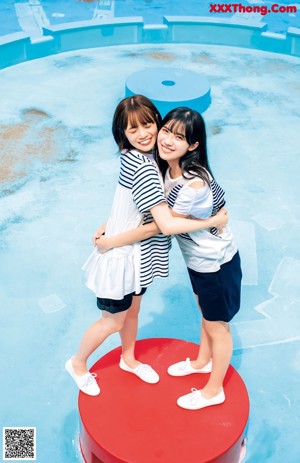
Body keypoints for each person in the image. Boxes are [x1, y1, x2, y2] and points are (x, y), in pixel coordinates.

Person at [65, 96, 228, 396]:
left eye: (148, 124)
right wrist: (211, 218)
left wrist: (110, 225)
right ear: (122, 135)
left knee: (133, 312)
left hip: (135, 256)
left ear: (157, 121)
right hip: (121, 255)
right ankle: (77, 363)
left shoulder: (140, 157)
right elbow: (161, 225)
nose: (143, 134)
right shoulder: (145, 169)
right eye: (132, 130)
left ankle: (128, 359)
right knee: (112, 321)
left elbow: (127, 207)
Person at [97, 107, 242, 410]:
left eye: (179, 137)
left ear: (193, 145)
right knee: (206, 311)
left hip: (215, 261)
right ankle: (203, 362)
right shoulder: (166, 168)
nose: (167, 140)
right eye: (167, 131)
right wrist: (109, 224)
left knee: (218, 326)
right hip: (198, 260)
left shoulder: (193, 183)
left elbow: (165, 225)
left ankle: (214, 390)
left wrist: (112, 240)